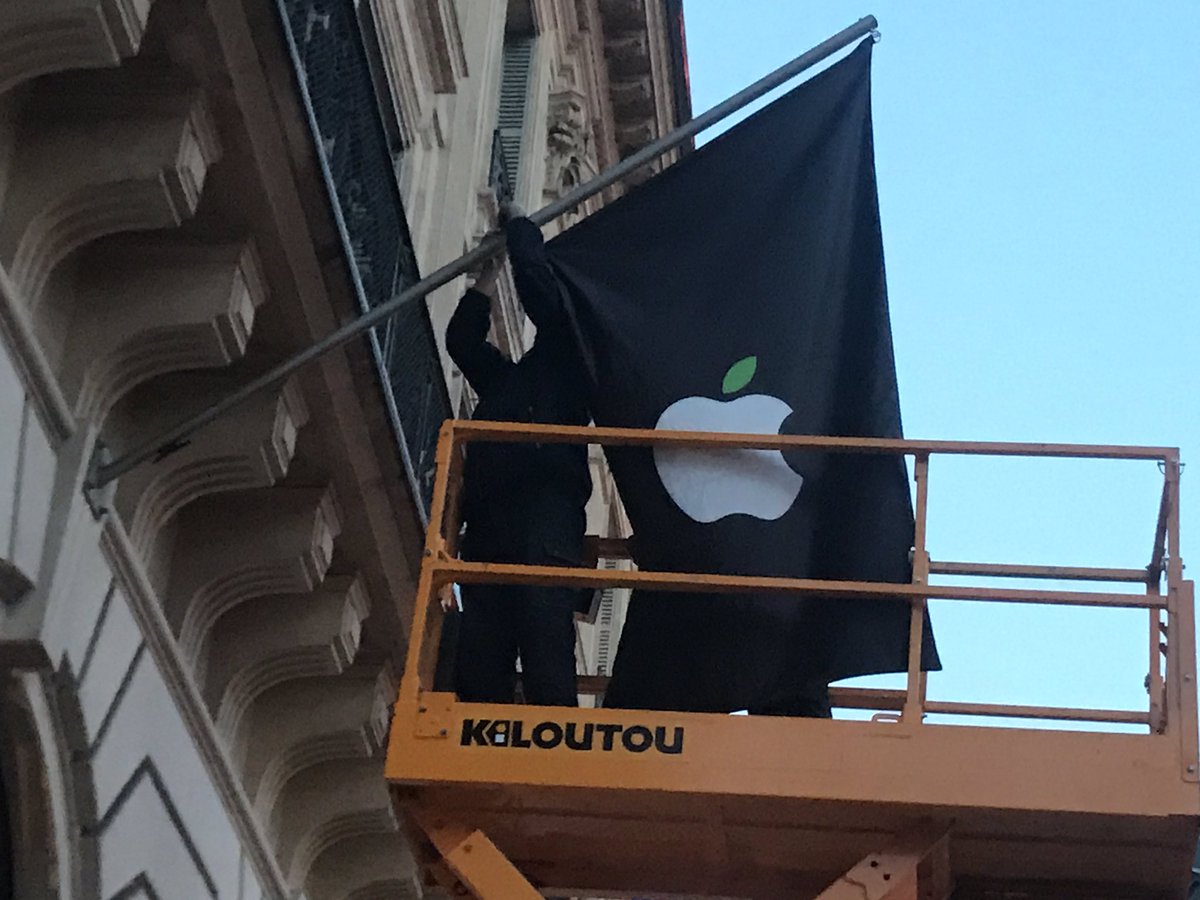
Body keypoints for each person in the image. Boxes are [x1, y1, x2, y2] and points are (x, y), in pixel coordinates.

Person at [443, 210, 592, 706]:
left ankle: (558, 739)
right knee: (482, 651)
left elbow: (542, 297)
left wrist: (520, 231)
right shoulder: (511, 381)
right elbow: (462, 341)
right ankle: (474, 735)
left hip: (543, 524)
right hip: (492, 522)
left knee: (543, 640)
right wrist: (489, 273)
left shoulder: (574, 355)